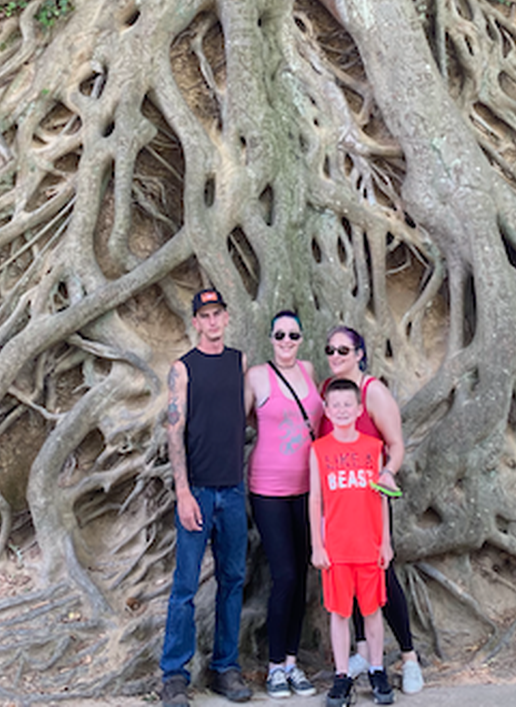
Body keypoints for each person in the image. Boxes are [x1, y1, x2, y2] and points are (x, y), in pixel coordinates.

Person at [160, 289, 252, 707]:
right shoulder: (183, 369)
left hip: (233, 490)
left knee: (232, 581)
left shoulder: (239, 362)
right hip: (196, 491)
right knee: (185, 585)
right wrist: (182, 491)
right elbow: (173, 431)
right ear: (195, 321)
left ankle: (225, 668)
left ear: (226, 318)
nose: (212, 322)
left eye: (217, 314)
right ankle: (174, 675)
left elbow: (247, 416)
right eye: (204, 315)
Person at [320, 326, 424, 694]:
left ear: (360, 353)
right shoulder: (329, 393)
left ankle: (409, 657)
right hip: (338, 503)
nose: (335, 356)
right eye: (330, 349)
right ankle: (363, 652)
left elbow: (395, 444)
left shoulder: (373, 392)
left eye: (344, 349)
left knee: (383, 577)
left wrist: (387, 473)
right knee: (347, 580)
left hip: (371, 498)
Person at [245, 311, 325, 699]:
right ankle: (275, 666)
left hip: (308, 490)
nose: (287, 341)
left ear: (301, 338)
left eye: (294, 334)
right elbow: (241, 420)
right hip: (268, 489)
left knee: (303, 579)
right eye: (280, 335)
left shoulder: (309, 370)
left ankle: (292, 663)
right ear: (271, 339)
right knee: (285, 576)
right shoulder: (258, 377)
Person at [310, 378, 395, 707]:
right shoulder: (319, 450)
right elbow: (315, 500)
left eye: (349, 404)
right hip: (336, 547)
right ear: (327, 411)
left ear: (360, 409)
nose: (342, 410)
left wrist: (385, 541)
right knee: (339, 613)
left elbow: (382, 498)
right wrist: (318, 544)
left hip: (369, 544)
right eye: (336, 405)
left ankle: (376, 668)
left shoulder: (373, 448)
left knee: (372, 611)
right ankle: (342, 675)